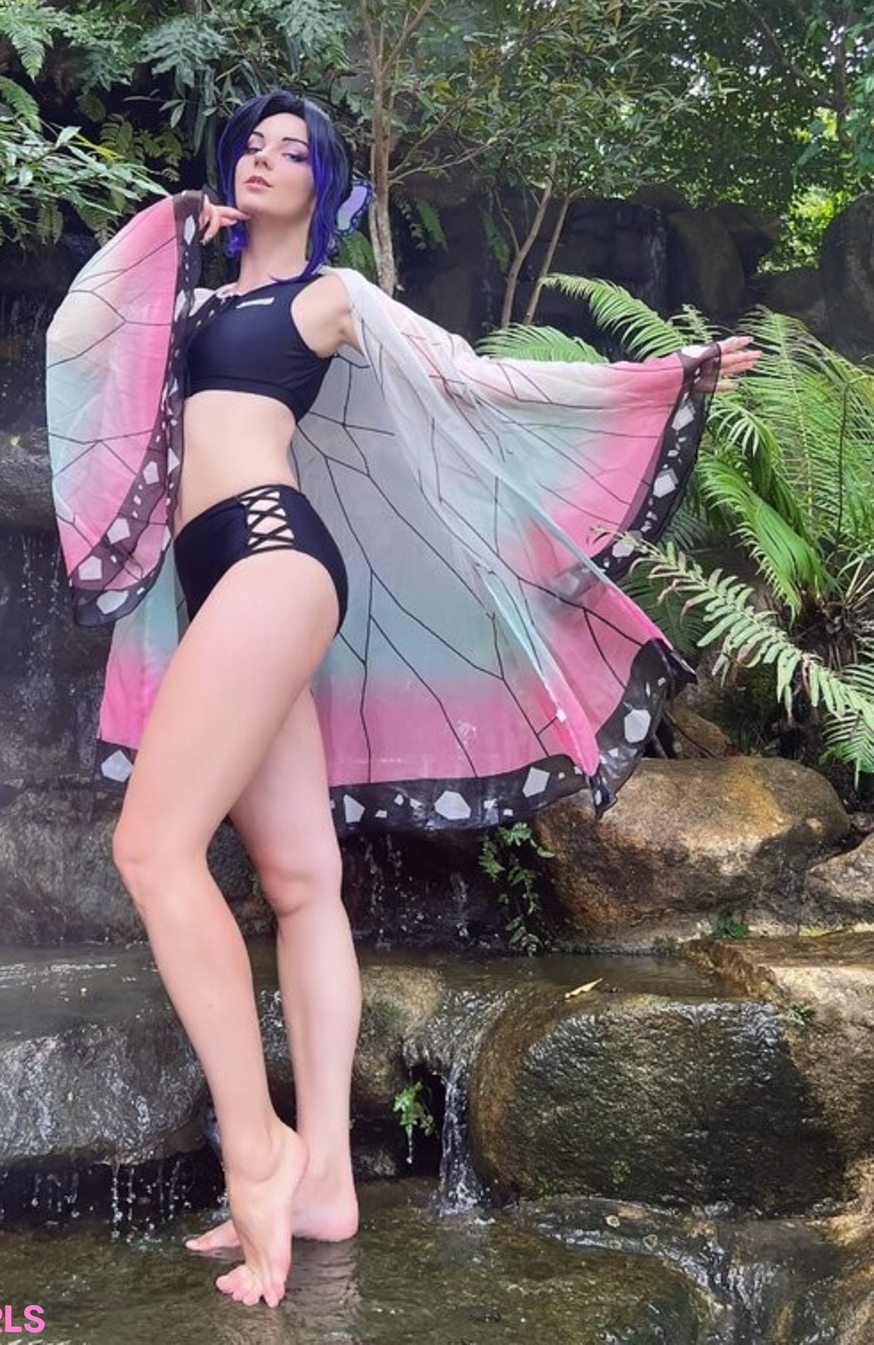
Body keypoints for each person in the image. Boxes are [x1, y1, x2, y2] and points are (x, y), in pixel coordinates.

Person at [44, 89, 757, 1310]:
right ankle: (327, 1178)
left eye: (294, 151)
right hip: (219, 580)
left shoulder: (328, 297)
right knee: (300, 880)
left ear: (325, 188)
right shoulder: (193, 303)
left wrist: (660, 379)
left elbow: (471, 381)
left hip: (272, 556)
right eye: (252, 145)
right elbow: (81, 344)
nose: (265, 159)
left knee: (152, 849)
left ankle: (258, 1148)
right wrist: (167, 230)